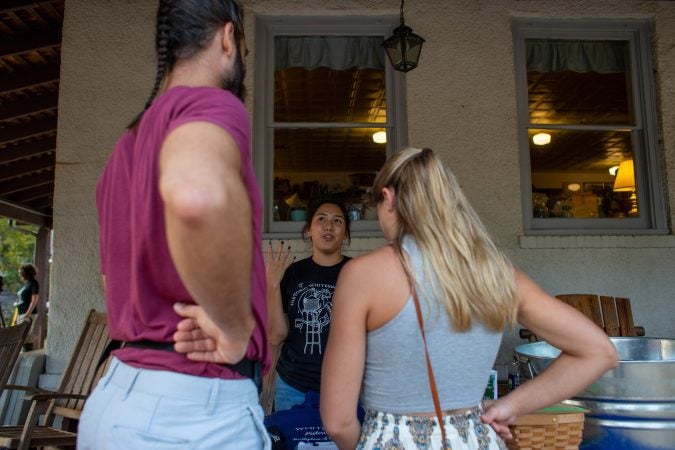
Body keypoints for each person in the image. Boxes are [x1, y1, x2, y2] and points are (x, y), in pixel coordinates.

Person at [320, 147, 618, 450]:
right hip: (477, 439)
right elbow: (599, 352)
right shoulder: (497, 272)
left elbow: (338, 421)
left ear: (390, 198)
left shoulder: (362, 275)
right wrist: (510, 406)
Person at [78, 1, 270, 449]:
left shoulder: (127, 144)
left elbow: (112, 275)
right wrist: (234, 325)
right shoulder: (212, 105)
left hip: (116, 397)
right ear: (228, 39)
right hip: (191, 410)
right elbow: (195, 196)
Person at [266, 200, 351, 412]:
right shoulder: (293, 273)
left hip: (346, 387)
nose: (328, 226)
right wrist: (272, 286)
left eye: (337, 221)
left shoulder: (357, 272)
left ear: (346, 234)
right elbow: (276, 335)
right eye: (321, 219)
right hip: (293, 385)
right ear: (309, 231)